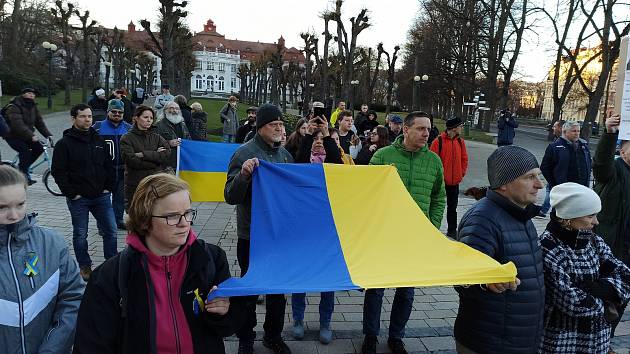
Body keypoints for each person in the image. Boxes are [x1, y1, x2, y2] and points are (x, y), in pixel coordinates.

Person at [73, 173, 242, 353]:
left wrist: (223, 313)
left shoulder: (211, 259)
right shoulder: (110, 277)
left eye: (188, 213)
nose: (185, 223)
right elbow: (91, 345)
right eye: (172, 216)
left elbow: (228, 328)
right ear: (144, 219)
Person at [363, 111, 446, 354]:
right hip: (384, 235)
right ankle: (370, 335)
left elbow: (438, 197)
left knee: (407, 292)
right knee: (376, 289)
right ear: (405, 130)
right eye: (420, 128)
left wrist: (431, 226)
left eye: (428, 129)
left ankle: (396, 336)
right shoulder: (383, 156)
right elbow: (366, 193)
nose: (426, 133)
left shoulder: (433, 161)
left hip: (414, 238)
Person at [454, 145, 545, 354]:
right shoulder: (483, 219)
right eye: (529, 177)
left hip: (517, 338)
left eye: (538, 176)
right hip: (491, 342)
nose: (539, 185)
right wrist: (486, 283)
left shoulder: (522, 215)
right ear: (503, 184)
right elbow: (462, 280)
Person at [224, 103, 294, 354]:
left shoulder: (285, 156)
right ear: (260, 127)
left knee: (277, 289)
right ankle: (246, 336)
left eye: (281, 124)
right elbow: (230, 196)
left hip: (278, 236)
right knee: (250, 288)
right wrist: (243, 176)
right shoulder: (244, 153)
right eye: (274, 124)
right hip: (252, 234)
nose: (279, 129)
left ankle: (273, 335)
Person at [0, 164, 84, 354]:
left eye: (20, 204)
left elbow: (73, 297)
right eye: (2, 207)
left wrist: (52, 349)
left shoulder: (52, 244)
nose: (14, 215)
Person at [539, 182, 630, 354]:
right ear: (569, 217)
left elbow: (625, 275)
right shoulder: (548, 247)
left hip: (599, 340)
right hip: (563, 341)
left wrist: (595, 288)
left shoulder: (593, 241)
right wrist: (608, 295)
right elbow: (571, 302)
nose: (596, 222)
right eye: (590, 216)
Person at [51, 104, 118, 281]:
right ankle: (84, 266)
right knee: (81, 234)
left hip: (101, 196)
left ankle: (111, 263)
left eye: (89, 116)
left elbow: (109, 165)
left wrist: (108, 187)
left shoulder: (99, 140)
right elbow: (58, 171)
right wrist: (72, 193)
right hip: (79, 199)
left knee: (110, 231)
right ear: (73, 119)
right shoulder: (64, 144)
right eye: (83, 116)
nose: (87, 120)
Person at [291, 118, 341, 344]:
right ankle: (298, 320)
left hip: (328, 231)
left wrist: (327, 134)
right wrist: (311, 134)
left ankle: (325, 323)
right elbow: (299, 162)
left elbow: (337, 164)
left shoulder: (332, 164)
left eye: (323, 140)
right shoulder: (302, 161)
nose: (319, 143)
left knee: (327, 282)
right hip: (302, 230)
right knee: (300, 279)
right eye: (315, 140)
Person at [120, 105, 171, 208]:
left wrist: (143, 154)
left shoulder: (157, 137)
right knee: (138, 218)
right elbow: (132, 161)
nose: (149, 120)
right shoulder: (127, 138)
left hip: (155, 185)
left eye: (151, 118)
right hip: (136, 185)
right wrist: (155, 157)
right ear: (136, 118)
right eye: (145, 117)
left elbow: (166, 155)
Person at [93, 99, 132, 229]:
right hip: (103, 171)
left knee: (119, 198)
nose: (117, 114)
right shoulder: (97, 127)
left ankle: (117, 220)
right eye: (113, 111)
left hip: (122, 169)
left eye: (120, 112)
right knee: (102, 199)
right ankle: (102, 224)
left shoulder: (128, 128)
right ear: (108, 112)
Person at [3, 88, 53, 185]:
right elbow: (17, 124)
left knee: (39, 148)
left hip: (25, 135)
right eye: (29, 93)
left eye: (33, 94)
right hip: (12, 135)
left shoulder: (33, 106)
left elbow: (39, 122)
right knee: (24, 151)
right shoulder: (14, 106)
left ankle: (23, 167)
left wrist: (48, 135)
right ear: (23, 94)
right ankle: (23, 174)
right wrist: (32, 135)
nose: (31, 95)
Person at [430, 116, 469, 238]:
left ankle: (452, 230)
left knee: (453, 207)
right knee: (436, 205)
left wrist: (461, 173)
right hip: (440, 182)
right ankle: (431, 228)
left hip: (454, 182)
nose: (461, 128)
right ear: (453, 128)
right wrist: (437, 178)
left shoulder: (460, 142)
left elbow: (464, 158)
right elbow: (432, 162)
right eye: (460, 126)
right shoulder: (438, 141)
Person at [541, 120, 592, 190]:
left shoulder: (584, 146)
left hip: (582, 189)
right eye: (574, 131)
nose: (577, 133)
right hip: (563, 190)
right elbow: (545, 168)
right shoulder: (555, 147)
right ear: (564, 132)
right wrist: (555, 184)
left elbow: (588, 165)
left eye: (578, 131)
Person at [540, 119, 566, 216]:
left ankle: (544, 210)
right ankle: (544, 210)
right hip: (553, 177)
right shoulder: (556, 142)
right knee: (550, 190)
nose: (553, 128)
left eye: (555, 126)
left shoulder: (564, 144)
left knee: (551, 192)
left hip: (558, 179)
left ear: (561, 128)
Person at [156, 101, 191, 170]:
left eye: (177, 108)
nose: (174, 110)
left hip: (182, 163)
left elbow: (189, 139)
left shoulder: (183, 125)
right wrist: (168, 143)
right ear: (165, 110)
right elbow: (154, 143)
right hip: (167, 164)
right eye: (171, 108)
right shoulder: (159, 125)